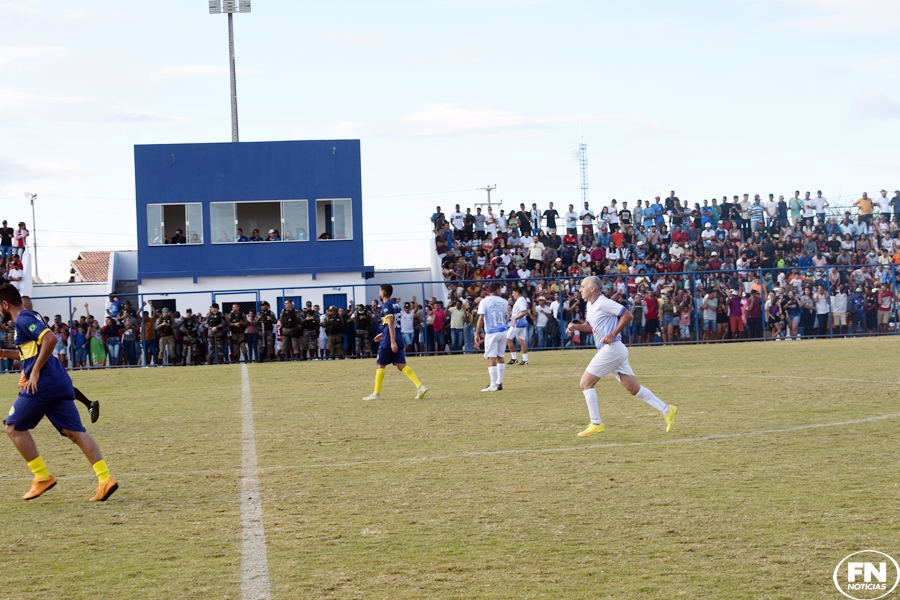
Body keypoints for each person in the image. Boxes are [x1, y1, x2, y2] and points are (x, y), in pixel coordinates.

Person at [1, 284, 118, 501]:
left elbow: (50, 340)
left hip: (44, 383)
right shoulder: (25, 321)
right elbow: (30, 354)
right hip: (58, 381)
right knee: (76, 432)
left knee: (13, 427)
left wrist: (34, 372)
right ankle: (105, 479)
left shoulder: (23, 319)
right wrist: (3, 353)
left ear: (5, 304)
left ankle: (42, 476)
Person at [565, 276, 677, 437]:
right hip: (615, 350)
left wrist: (612, 334)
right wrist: (577, 326)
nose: (580, 289)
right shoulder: (590, 305)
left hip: (611, 349)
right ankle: (667, 409)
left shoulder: (604, 302)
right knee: (633, 389)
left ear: (592, 288)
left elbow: (627, 315)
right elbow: (591, 327)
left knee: (585, 383)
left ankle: (596, 423)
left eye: (582, 286)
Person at [363, 284, 427, 401]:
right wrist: (383, 334)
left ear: (382, 293)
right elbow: (393, 323)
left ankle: (376, 394)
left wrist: (391, 341)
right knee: (401, 365)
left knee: (380, 364)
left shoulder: (386, 305)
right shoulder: (395, 304)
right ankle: (420, 386)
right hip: (396, 336)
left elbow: (391, 322)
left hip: (390, 340)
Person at [474, 282, 509, 392]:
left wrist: (477, 333)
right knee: (500, 356)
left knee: (491, 357)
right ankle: (499, 382)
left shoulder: (484, 301)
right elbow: (506, 317)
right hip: (503, 331)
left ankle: (493, 384)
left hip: (492, 332)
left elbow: (480, 319)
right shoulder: (504, 302)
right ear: (497, 290)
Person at [506, 287, 530, 365]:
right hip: (522, 323)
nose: (513, 294)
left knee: (508, 339)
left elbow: (524, 312)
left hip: (518, 323)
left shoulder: (520, 300)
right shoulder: (521, 300)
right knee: (521, 341)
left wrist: (515, 318)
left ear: (517, 292)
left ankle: (514, 358)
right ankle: (525, 360)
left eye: (513, 292)